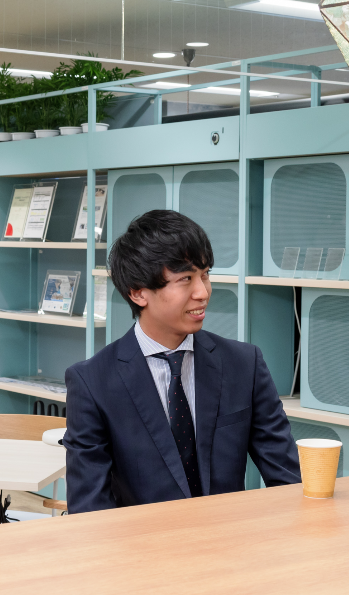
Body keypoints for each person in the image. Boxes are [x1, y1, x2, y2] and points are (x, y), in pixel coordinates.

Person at [64, 210, 300, 512]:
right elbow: (90, 509)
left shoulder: (244, 364)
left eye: (205, 275)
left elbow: (288, 480)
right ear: (138, 293)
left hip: (230, 536)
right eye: (185, 279)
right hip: (143, 540)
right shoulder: (93, 383)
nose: (203, 292)